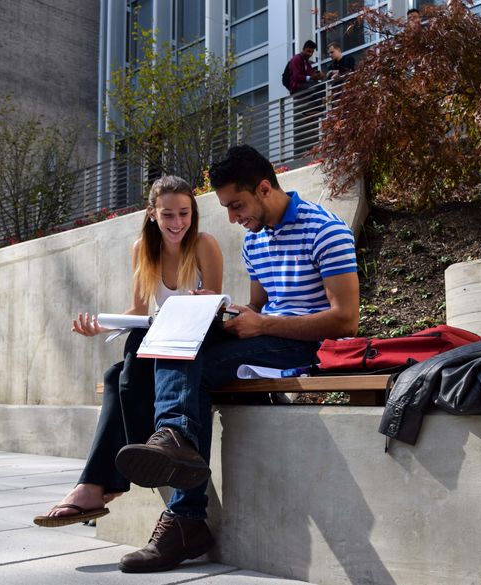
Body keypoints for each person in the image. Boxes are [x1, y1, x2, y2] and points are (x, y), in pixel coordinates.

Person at [113, 144, 360, 573]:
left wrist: (261, 325)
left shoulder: (326, 232)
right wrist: (227, 317)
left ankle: (183, 506)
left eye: (236, 205)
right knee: (178, 336)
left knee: (196, 367)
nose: (232, 218)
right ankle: (177, 453)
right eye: (226, 208)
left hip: (307, 345)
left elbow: (345, 321)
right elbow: (260, 309)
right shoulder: (255, 240)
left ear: (265, 188)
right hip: (268, 337)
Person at [33, 175, 223, 528]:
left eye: (184, 213)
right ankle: (113, 475)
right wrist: (103, 326)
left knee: (129, 363)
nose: (177, 223)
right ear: (152, 213)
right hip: (160, 340)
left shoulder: (204, 244)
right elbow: (138, 312)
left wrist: (201, 300)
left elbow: (213, 308)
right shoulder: (142, 248)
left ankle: (100, 483)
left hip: (196, 340)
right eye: (168, 215)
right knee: (114, 373)